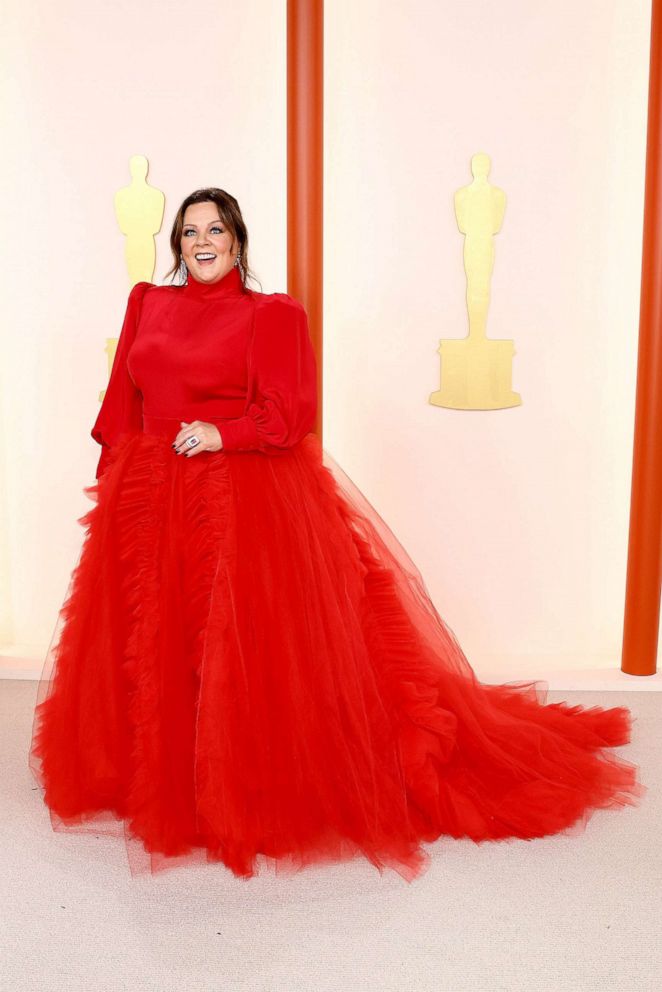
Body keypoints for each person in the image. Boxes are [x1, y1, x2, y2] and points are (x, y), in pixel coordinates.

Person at [28, 187, 646, 882]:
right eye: (190, 231)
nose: (202, 242)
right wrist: (117, 489)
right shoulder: (148, 302)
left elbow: (288, 416)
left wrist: (219, 433)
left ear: (238, 242)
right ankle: (163, 776)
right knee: (156, 643)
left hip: (239, 500)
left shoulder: (272, 315)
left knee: (237, 648)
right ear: (177, 243)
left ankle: (234, 786)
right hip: (149, 500)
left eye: (217, 230)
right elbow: (121, 403)